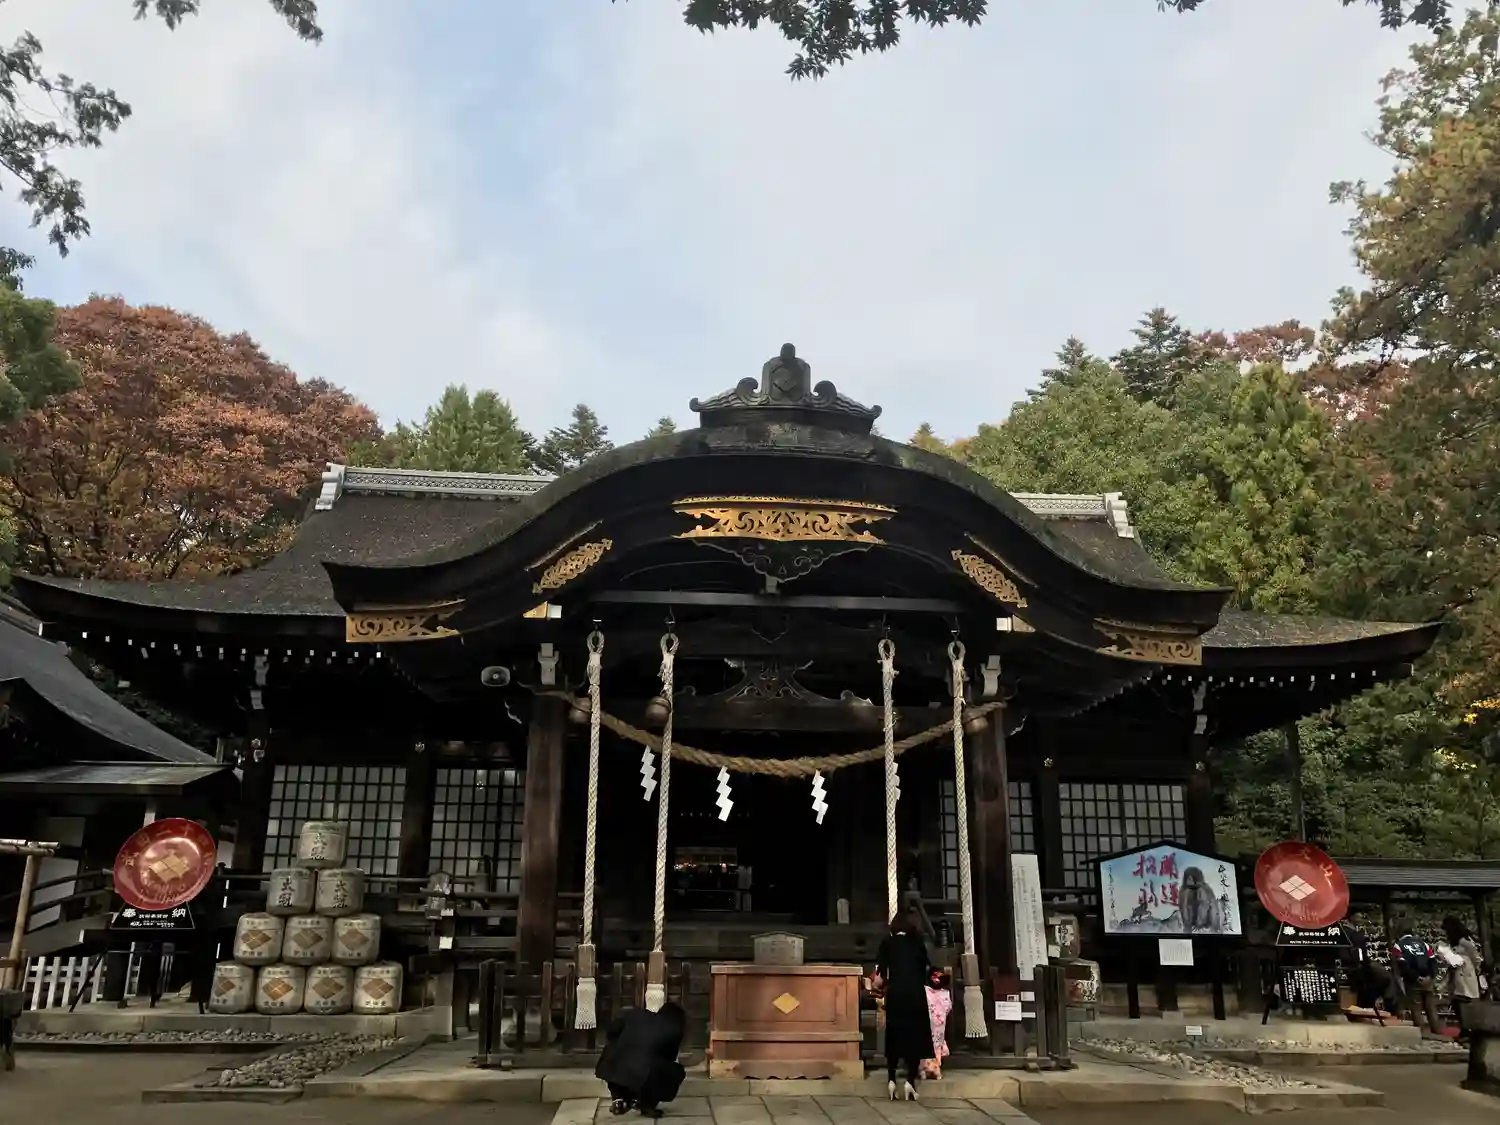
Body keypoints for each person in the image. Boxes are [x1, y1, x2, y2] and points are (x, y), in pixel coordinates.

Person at [876, 908, 933, 1101]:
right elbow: (927, 969)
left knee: (894, 1034)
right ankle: (910, 1082)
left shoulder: (887, 943)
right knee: (914, 1035)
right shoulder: (918, 943)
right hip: (915, 994)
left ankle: (891, 1079)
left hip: (896, 994)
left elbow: (880, 974)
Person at [595, 1001, 687, 1118]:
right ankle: (646, 1105)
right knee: (675, 1071)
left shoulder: (634, 1014)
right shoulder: (674, 1028)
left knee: (615, 1051)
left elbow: (612, 1032)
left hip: (613, 1067)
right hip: (642, 1072)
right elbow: (669, 1057)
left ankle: (619, 1097)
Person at [1389, 920, 1442, 1034]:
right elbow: (1433, 961)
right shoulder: (1424, 944)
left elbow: (1402, 965)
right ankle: (1437, 1031)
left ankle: (1422, 1033)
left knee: (1416, 1008)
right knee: (1430, 1007)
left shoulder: (1399, 946)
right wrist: (1430, 976)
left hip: (1412, 981)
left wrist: (1416, 977)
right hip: (1428, 980)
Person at [1441, 916, 1484, 1033]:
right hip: (1457, 973)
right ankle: (1464, 1027)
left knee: (1462, 999)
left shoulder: (1464, 942)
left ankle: (1466, 1028)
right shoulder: (1455, 942)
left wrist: (1477, 969)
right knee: (1457, 1000)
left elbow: (1476, 957)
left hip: (1465, 973)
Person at [919, 968, 952, 1080]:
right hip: (937, 1024)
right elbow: (948, 1008)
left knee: (929, 1045)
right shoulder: (944, 993)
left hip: (932, 1023)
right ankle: (933, 1069)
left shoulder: (927, 992)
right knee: (934, 1045)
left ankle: (927, 1069)